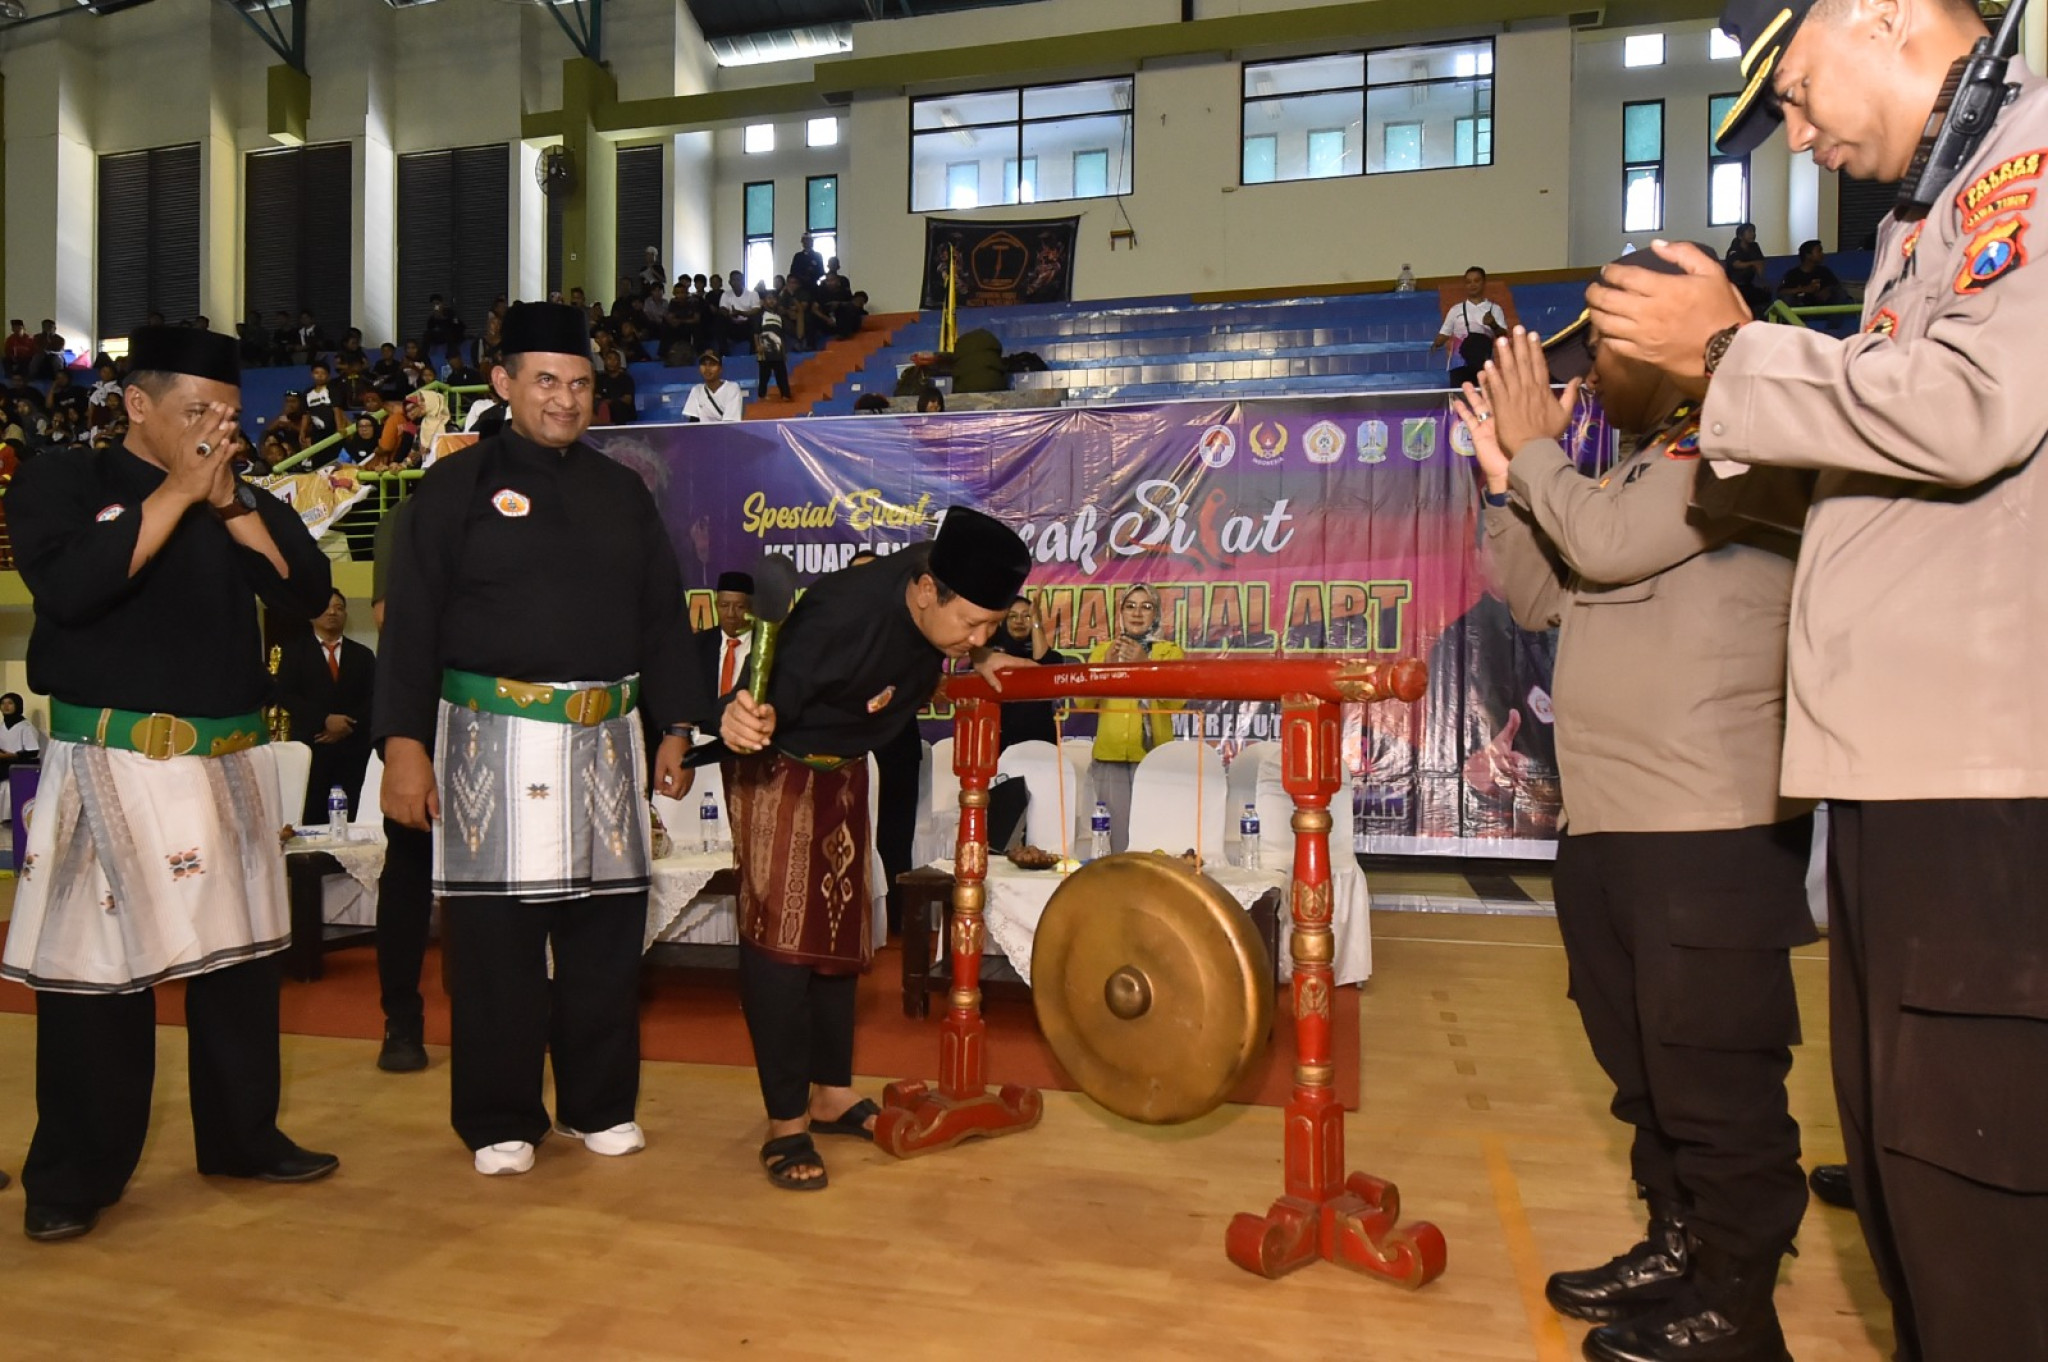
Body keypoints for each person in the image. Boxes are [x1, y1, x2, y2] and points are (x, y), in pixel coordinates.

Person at [1585, 2, 2048, 1356]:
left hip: (1986, 783)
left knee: (1984, 1202)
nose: (1797, 128)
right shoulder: (1922, 219)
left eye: (1792, 85)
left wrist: (1731, 352)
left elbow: (1971, 409)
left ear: (1885, 16)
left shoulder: (2025, 165)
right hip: (1902, 776)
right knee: (1914, 1184)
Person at [1467, 305, 1815, 1362]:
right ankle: (1677, 1246)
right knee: (1644, 1075)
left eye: (1602, 347)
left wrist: (1532, 449)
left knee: (1714, 1082)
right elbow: (1537, 595)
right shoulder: (1623, 470)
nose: (1584, 371)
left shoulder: (1745, 436)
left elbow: (1607, 550)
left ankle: (1735, 1304)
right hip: (1611, 825)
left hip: (1706, 826)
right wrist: (1502, 478)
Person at [0, 325, 339, 1243]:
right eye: (197, 414)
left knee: (241, 968)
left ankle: (243, 1138)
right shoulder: (65, 482)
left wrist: (227, 503)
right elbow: (73, 590)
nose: (216, 432)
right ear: (137, 406)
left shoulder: (239, 496)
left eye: (229, 416)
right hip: (115, 761)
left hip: (227, 761)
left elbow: (308, 594)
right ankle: (73, 1177)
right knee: (98, 985)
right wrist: (177, 494)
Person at [373, 301, 705, 1177]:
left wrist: (675, 726)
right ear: (504, 384)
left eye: (582, 384)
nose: (565, 400)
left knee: (604, 941)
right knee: (495, 952)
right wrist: (401, 744)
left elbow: (663, 620)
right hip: (491, 743)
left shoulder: (622, 491)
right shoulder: (453, 491)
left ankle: (599, 1104)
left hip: (604, 747)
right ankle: (498, 1117)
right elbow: (409, 627)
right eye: (547, 381)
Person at [717, 512, 1031, 1188]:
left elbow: (960, 628)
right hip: (779, 762)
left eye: (991, 625)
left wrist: (980, 654)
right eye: (972, 624)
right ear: (925, 593)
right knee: (781, 943)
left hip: (847, 765)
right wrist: (753, 714)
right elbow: (763, 704)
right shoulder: (839, 619)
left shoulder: (941, 574)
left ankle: (830, 1093)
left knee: (837, 930)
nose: (978, 637)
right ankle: (785, 1124)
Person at [368, 503, 433, 1074]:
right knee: (408, 874)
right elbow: (391, 618)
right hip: (425, 719)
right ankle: (402, 1021)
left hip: (510, 719)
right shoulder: (410, 515)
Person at [1077, 584, 1183, 852]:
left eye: (1146, 607)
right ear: (1120, 613)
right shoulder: (1103, 652)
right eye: (1130, 606)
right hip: (1110, 756)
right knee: (1115, 839)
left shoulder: (1169, 653)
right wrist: (1105, 669)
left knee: (1154, 835)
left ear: (1156, 614)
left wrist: (1144, 664)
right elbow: (1083, 702)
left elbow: (1176, 700)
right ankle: (1118, 891)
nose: (1137, 613)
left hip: (1153, 758)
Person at [275, 589, 376, 825]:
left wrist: (346, 725)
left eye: (339, 608)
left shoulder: (363, 655)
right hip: (312, 748)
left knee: (355, 817)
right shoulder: (294, 653)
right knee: (312, 817)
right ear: (312, 615)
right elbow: (285, 694)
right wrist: (324, 720)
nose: (332, 612)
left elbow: (375, 696)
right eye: (326, 607)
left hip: (353, 750)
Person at [994, 594, 1067, 750]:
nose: (1019, 621)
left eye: (1026, 616)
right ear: (1003, 622)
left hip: (1042, 745)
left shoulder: (1053, 658)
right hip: (1002, 744)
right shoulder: (992, 659)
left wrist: (1035, 620)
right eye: (1012, 616)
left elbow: (1043, 664)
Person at [1433, 266, 1508, 372]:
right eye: (1468, 282)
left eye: (1476, 281)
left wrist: (1493, 324)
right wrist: (1436, 343)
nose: (1472, 285)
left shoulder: (1495, 309)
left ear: (1484, 282)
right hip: (1459, 365)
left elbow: (1503, 335)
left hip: (1484, 365)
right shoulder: (1456, 309)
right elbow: (1443, 335)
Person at [698, 570, 753, 703]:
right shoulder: (697, 645)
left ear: (752, 608)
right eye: (724, 605)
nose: (730, 614)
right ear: (716, 605)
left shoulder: (765, 648)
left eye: (739, 607)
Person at [0, 691, 40, 823]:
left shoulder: (25, 727)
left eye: (10, 703)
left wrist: (10, 755)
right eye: (3, 703)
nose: (6, 706)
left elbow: (32, 752)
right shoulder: (2, 727)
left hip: (20, 764)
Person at [1773, 239, 1848, 308]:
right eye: (1819, 251)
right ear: (1808, 255)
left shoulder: (1824, 271)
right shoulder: (1793, 274)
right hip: (1801, 309)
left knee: (1840, 294)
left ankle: (1834, 322)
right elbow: (1781, 292)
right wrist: (1804, 289)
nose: (1822, 254)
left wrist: (1827, 290)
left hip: (1823, 308)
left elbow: (1836, 286)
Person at [1723, 223, 1772, 317]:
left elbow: (1760, 263)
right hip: (1734, 285)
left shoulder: (1754, 247)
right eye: (1749, 231)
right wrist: (1752, 263)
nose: (1753, 234)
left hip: (1748, 284)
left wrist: (1762, 281)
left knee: (1765, 295)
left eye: (1754, 231)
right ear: (1740, 235)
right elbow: (1736, 264)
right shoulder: (1735, 247)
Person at [683, 352, 744, 424]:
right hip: (703, 434)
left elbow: (730, 423)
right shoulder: (696, 390)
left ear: (720, 369)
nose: (707, 368)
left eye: (712, 364)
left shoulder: (732, 388)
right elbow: (693, 423)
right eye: (704, 364)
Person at [595, 348, 638, 425]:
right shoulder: (600, 379)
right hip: (606, 411)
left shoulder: (626, 379)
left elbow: (627, 399)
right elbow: (597, 397)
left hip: (623, 413)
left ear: (619, 363)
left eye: (615, 360)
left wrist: (610, 401)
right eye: (609, 359)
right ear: (604, 361)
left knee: (618, 406)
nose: (612, 362)